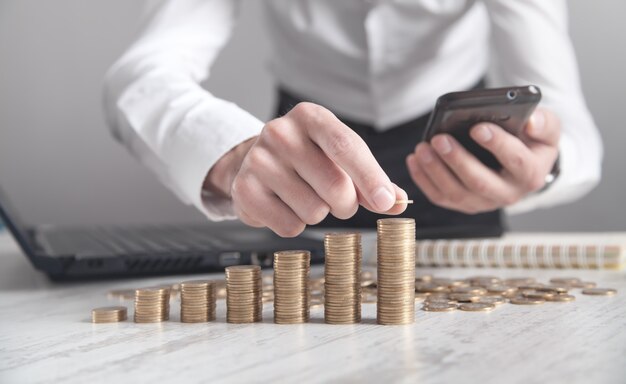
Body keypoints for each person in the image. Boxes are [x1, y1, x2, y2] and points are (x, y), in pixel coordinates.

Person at [104, 0, 601, 238]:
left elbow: (569, 122)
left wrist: (543, 168)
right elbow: (141, 75)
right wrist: (232, 154)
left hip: (461, 156)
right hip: (296, 166)